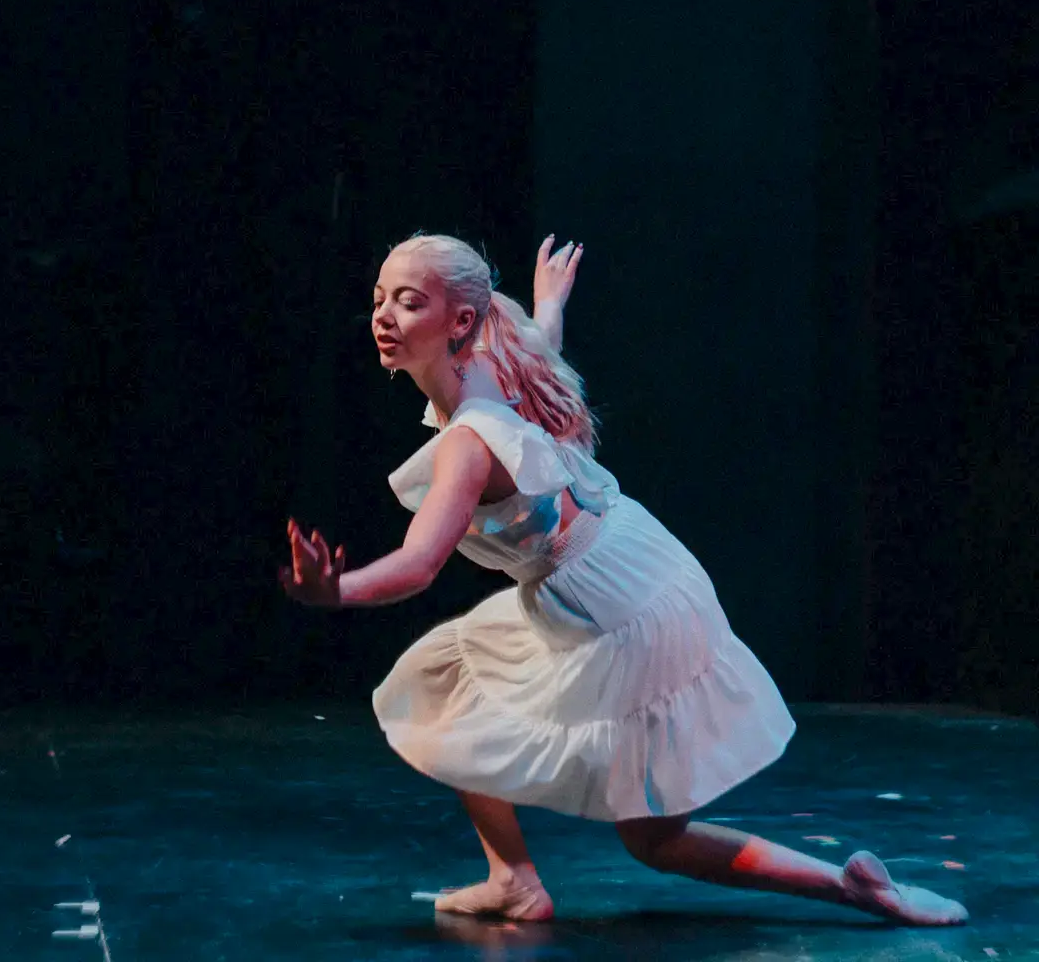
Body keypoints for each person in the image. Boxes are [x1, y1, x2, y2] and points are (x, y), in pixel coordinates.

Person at [278, 233, 968, 926]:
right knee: (445, 679)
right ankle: (514, 880)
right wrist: (548, 303)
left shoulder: (466, 445)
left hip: (612, 607)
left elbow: (419, 563)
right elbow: (539, 338)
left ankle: (848, 888)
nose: (385, 317)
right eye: (378, 300)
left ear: (459, 321)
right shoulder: (499, 353)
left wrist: (334, 591)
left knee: (654, 839)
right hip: (632, 562)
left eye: (408, 302)